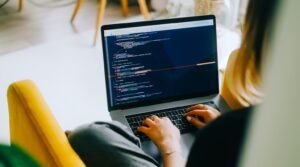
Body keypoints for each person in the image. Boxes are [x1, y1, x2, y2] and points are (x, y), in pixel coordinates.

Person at [68, 0, 279, 166]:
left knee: (89, 134)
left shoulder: (237, 128)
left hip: (176, 153)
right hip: (213, 131)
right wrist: (220, 126)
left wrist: (171, 147)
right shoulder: (258, 125)